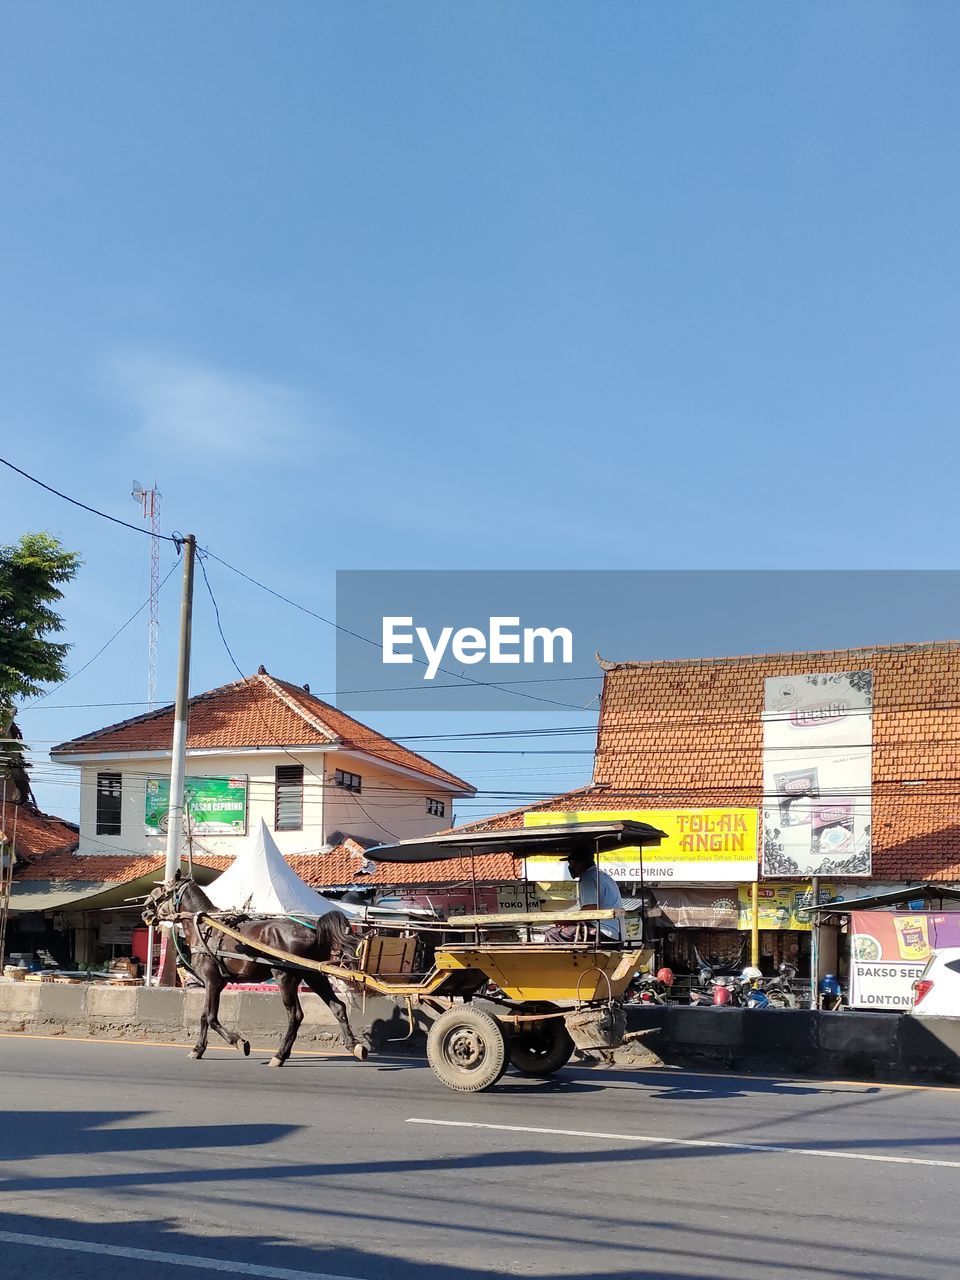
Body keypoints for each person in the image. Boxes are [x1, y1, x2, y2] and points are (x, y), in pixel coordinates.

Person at [544, 847, 625, 943]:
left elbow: (591, 910)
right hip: (616, 933)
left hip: (602, 931)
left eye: (571, 864)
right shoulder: (603, 876)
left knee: (552, 934)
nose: (570, 868)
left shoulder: (588, 877)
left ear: (579, 863)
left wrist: (567, 920)